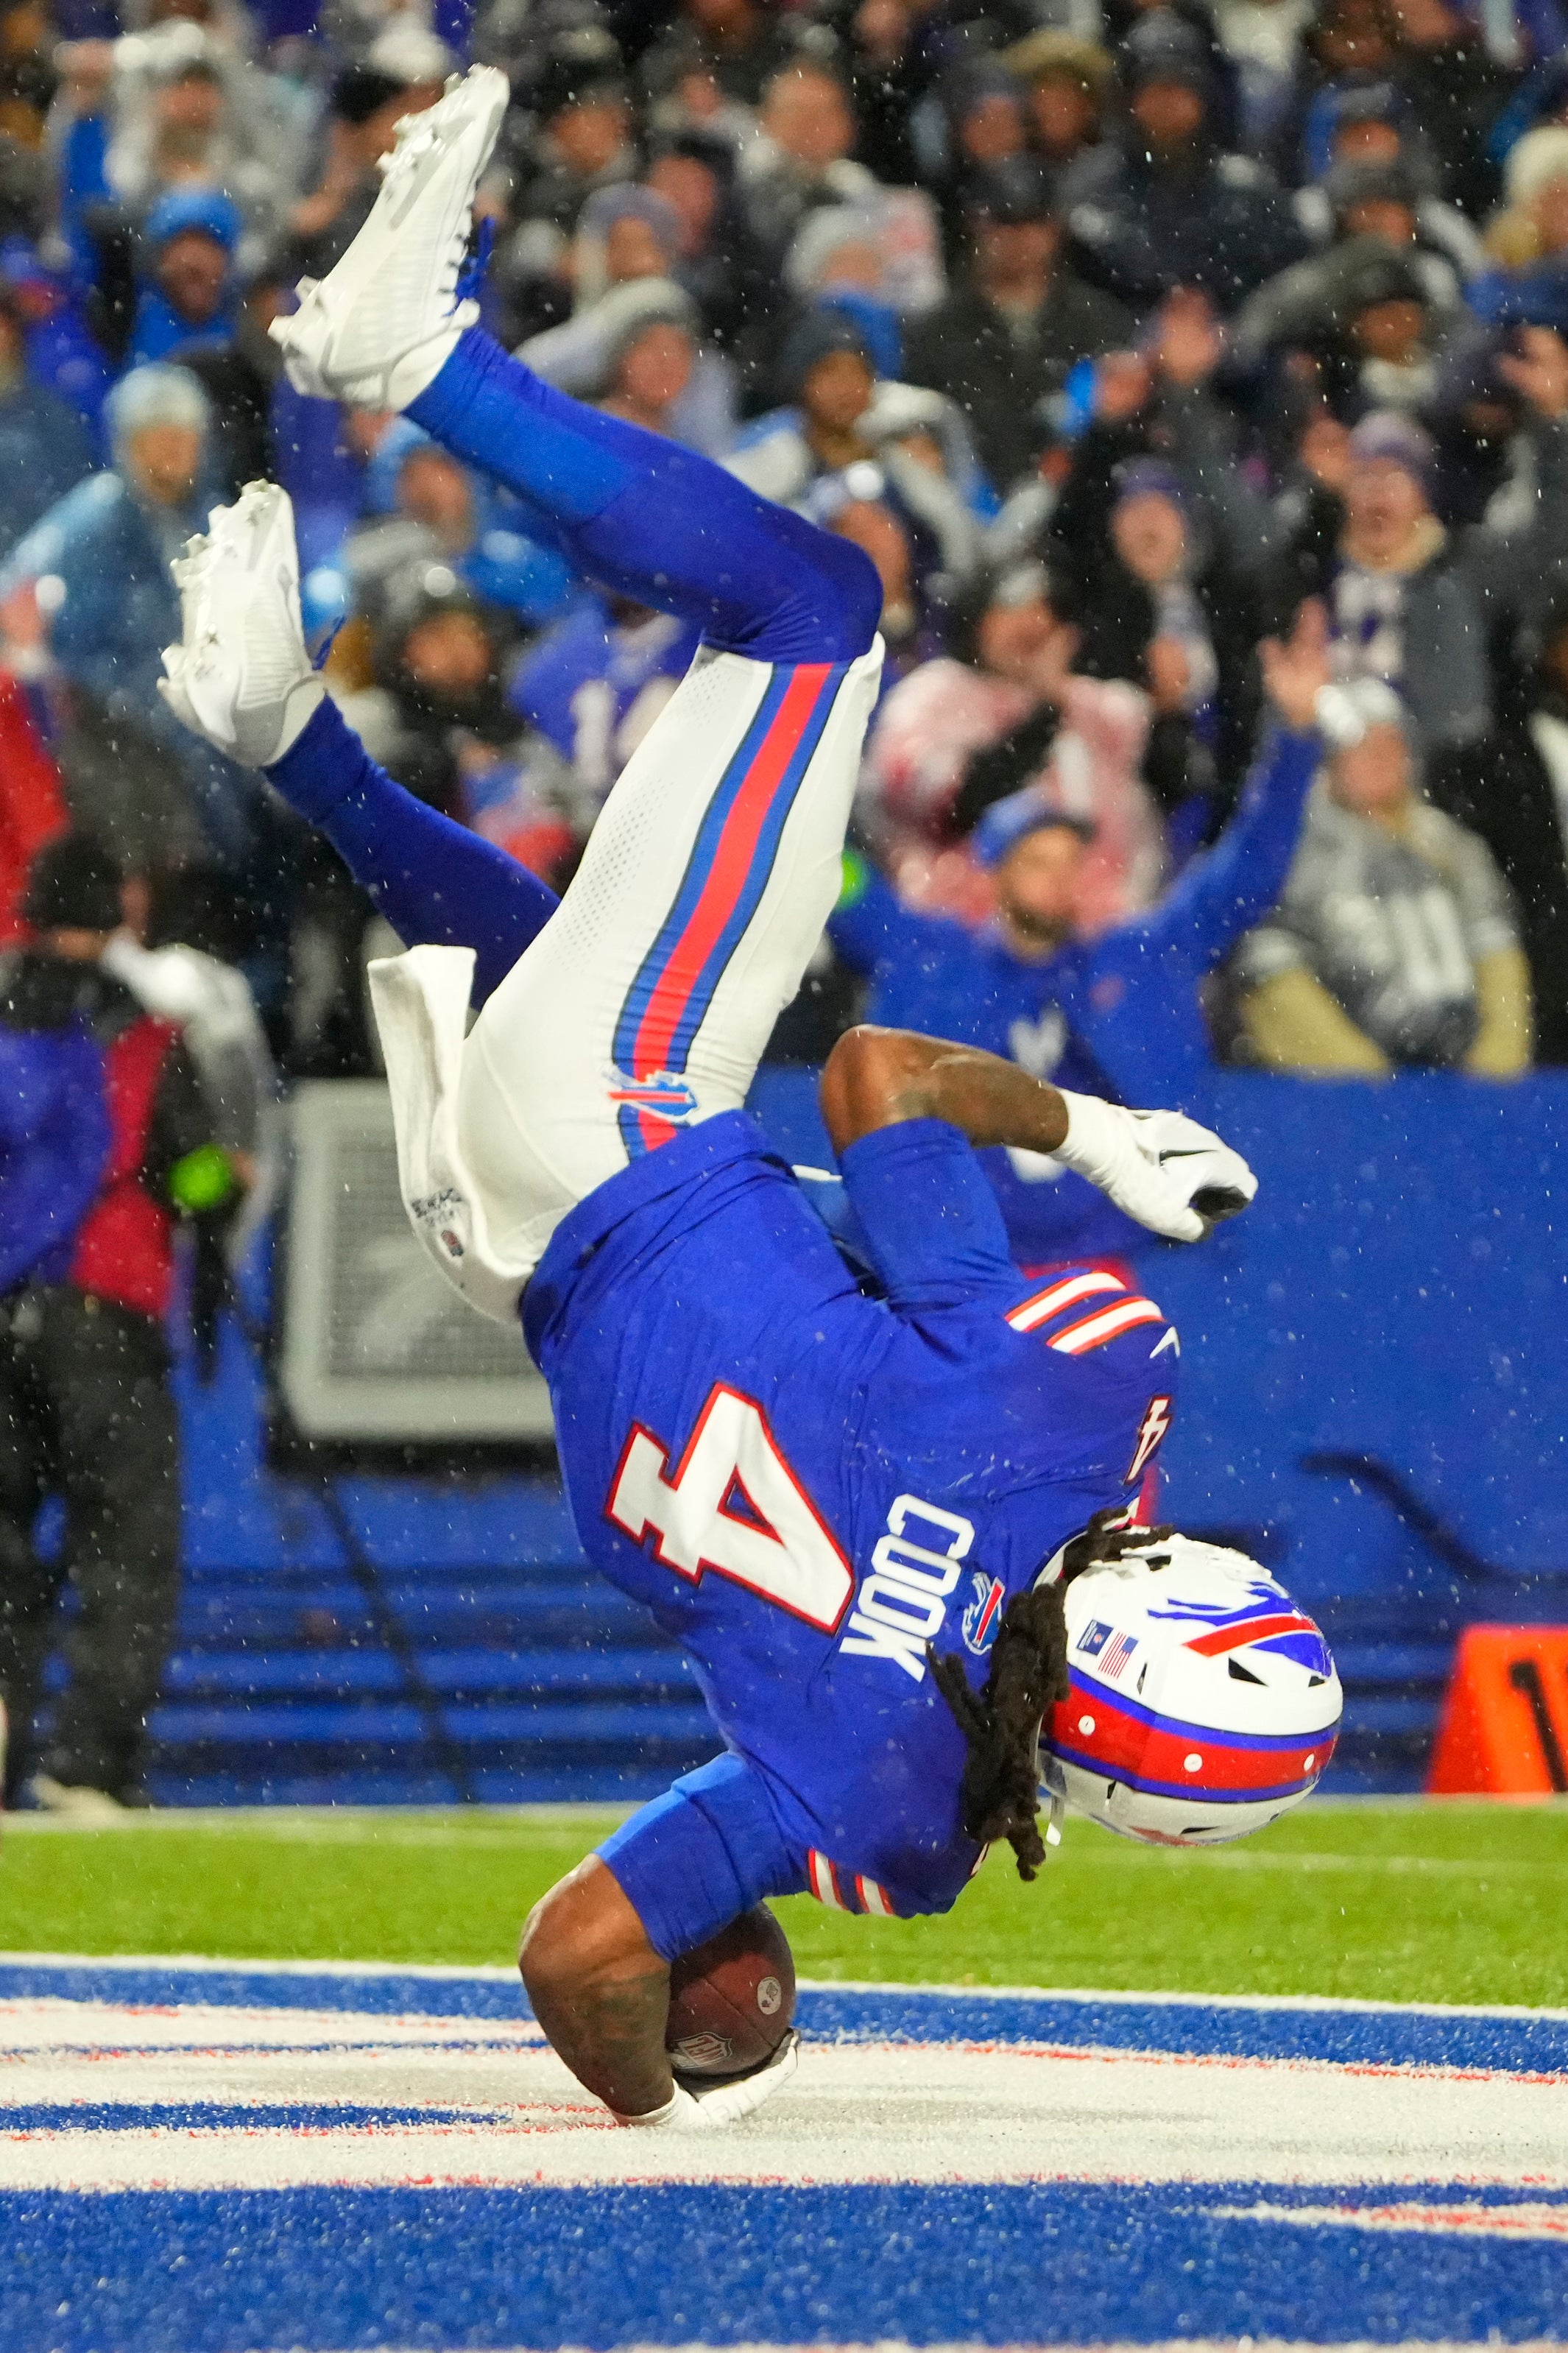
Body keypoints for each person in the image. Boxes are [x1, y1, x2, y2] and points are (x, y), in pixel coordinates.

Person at [165, 69, 1338, 2126]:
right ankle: (294, 749)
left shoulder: (1074, 1391)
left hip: (635, 1143)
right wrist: (670, 2103)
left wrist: (1092, 1136)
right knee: (556, 949)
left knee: (816, 612)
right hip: (520, 1252)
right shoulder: (886, 1816)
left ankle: (411, 357)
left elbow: (883, 1069)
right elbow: (585, 1952)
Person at [0, 833, 233, 1814]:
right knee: (128, 1544)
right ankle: (88, 1765)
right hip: (105, 1310)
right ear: (117, 917)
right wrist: (220, 1184)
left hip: (3, 1312)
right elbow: (192, 1168)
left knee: (4, 1557)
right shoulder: (138, 1031)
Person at [1230, 679, 1532, 1075]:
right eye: (1364, 746)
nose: (1383, 757)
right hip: (1353, 1090)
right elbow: (1268, 961)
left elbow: (1495, 944)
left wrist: (1496, 1062)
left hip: (1464, 1074)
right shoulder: (1296, 852)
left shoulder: (1452, 846)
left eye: (1393, 743)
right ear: (1330, 759)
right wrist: (1356, 1071)